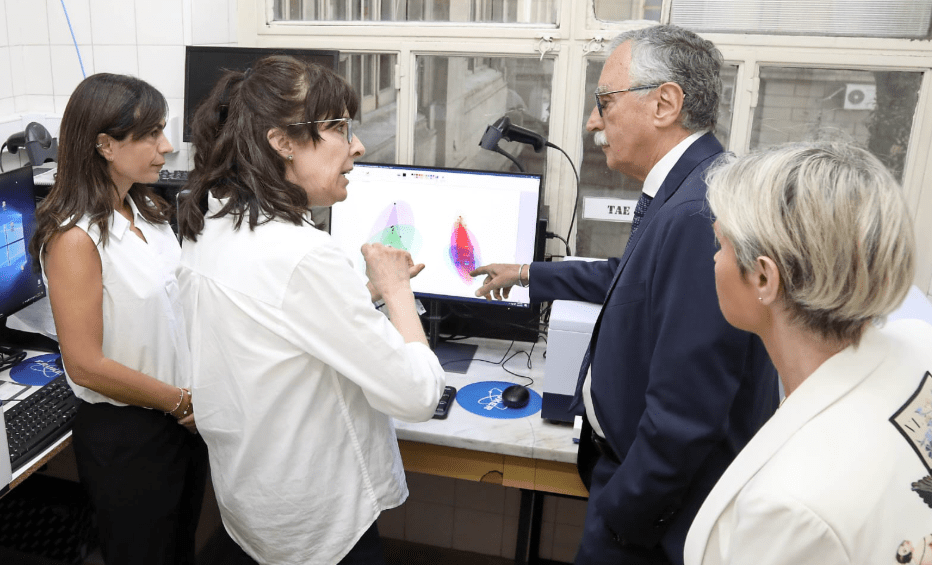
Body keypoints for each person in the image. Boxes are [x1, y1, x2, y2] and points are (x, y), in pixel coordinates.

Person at [470, 25, 779, 565]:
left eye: (605, 102)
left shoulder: (697, 214)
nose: (593, 121)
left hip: (650, 516)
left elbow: (687, 415)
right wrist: (526, 273)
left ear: (664, 104)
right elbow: (628, 277)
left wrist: (622, 518)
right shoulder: (693, 186)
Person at [176, 55, 446, 565]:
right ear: (282, 141)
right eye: (340, 128)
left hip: (255, 507)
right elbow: (418, 396)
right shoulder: (303, 255)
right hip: (322, 532)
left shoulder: (208, 223)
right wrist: (396, 291)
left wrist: (360, 294)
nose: (357, 146)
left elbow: (273, 329)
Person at [683, 140, 932, 565]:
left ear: (764, 278)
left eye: (720, 243)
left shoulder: (791, 507)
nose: (715, 260)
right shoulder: (919, 344)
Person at [30, 73, 208, 564]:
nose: (167, 146)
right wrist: (179, 402)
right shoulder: (75, 239)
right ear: (105, 145)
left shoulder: (146, 211)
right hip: (132, 435)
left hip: (181, 420)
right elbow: (84, 365)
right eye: (151, 134)